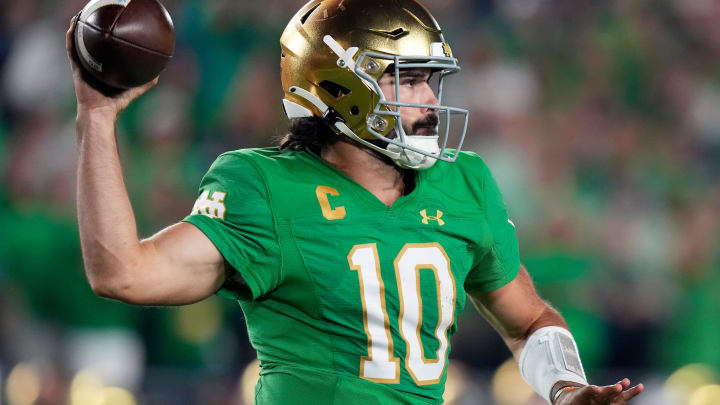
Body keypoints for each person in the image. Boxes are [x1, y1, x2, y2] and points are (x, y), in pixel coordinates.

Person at [67, 0, 645, 404]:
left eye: (430, 80)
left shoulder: (462, 183)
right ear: (338, 88)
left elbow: (530, 321)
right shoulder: (265, 188)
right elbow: (122, 272)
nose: (429, 101)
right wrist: (97, 116)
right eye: (408, 79)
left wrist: (565, 387)